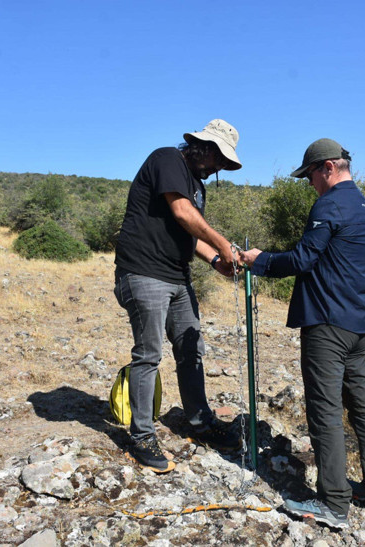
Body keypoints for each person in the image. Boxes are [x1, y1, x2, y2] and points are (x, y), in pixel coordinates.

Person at [239, 138, 365, 529]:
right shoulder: (364, 205)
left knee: (324, 411)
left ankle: (334, 503)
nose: (309, 183)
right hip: (360, 323)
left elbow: (303, 258)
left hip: (329, 324)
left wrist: (259, 261)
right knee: (362, 403)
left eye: (310, 175)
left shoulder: (330, 205)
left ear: (328, 167)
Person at [113, 119, 243, 473]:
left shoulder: (197, 185)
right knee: (148, 355)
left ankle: (201, 422)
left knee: (190, 347)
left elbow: (190, 234)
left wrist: (216, 261)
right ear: (202, 146)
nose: (219, 168)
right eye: (218, 158)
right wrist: (224, 245)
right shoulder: (167, 159)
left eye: (225, 163)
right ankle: (142, 437)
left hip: (177, 276)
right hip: (143, 272)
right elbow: (182, 212)